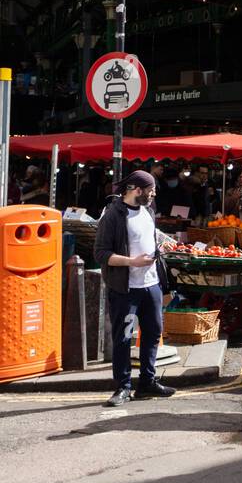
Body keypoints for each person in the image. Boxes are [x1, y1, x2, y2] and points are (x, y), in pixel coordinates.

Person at [94, 170, 177, 407]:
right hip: (126, 287)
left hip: (151, 285)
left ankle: (147, 383)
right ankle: (123, 387)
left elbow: (148, 241)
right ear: (136, 190)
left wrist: (161, 250)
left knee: (152, 334)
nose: (153, 195)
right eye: (150, 190)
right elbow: (101, 254)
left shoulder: (148, 212)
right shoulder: (113, 216)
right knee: (123, 337)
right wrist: (132, 262)